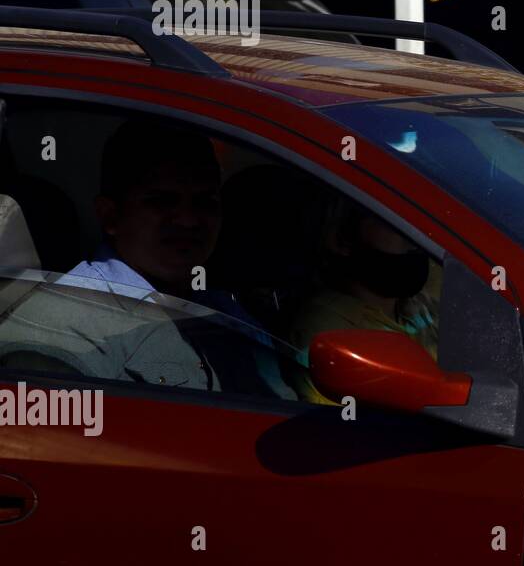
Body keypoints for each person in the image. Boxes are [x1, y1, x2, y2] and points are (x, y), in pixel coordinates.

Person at [60, 118, 291, 396]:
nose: (188, 220)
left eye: (204, 202)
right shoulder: (70, 321)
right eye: (162, 201)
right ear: (110, 216)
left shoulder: (224, 314)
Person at [288, 198, 440, 403]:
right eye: (391, 221)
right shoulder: (327, 333)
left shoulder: (417, 304)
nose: (411, 234)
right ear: (341, 239)